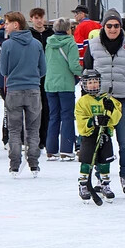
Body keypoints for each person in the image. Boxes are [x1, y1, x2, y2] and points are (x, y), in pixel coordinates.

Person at [83, 8, 125, 195]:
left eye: (116, 26)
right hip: (101, 98)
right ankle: (101, 176)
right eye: (109, 25)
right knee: (101, 139)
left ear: (121, 27)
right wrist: (86, 98)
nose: (113, 29)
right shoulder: (93, 45)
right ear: (103, 27)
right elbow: (87, 71)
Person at [0, 12, 46, 176]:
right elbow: (43, 70)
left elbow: (3, 70)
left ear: (16, 24)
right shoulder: (36, 44)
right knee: (33, 129)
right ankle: (34, 164)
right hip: (33, 90)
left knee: (14, 129)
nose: (5, 26)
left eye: (7, 23)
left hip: (14, 90)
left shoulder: (7, 45)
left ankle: (14, 165)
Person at [74, 69, 122, 203]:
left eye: (95, 82)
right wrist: (93, 121)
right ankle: (83, 184)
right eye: (90, 82)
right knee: (86, 160)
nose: (93, 85)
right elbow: (80, 120)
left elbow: (116, 119)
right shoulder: (82, 102)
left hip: (104, 135)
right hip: (90, 136)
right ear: (84, 84)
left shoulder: (108, 99)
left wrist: (111, 110)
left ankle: (104, 184)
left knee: (104, 160)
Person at [44, 17, 82, 161]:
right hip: (65, 84)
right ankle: (66, 150)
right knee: (67, 116)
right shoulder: (70, 43)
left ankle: (51, 150)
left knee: (53, 116)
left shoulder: (49, 43)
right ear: (68, 29)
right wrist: (83, 72)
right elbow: (73, 65)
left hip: (50, 83)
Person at [29, 8, 54, 150]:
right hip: (34, 74)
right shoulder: (29, 35)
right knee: (34, 107)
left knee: (47, 106)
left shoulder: (51, 34)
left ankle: (45, 137)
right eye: (36, 18)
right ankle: (34, 136)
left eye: (41, 17)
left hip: (48, 74)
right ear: (31, 19)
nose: (39, 20)